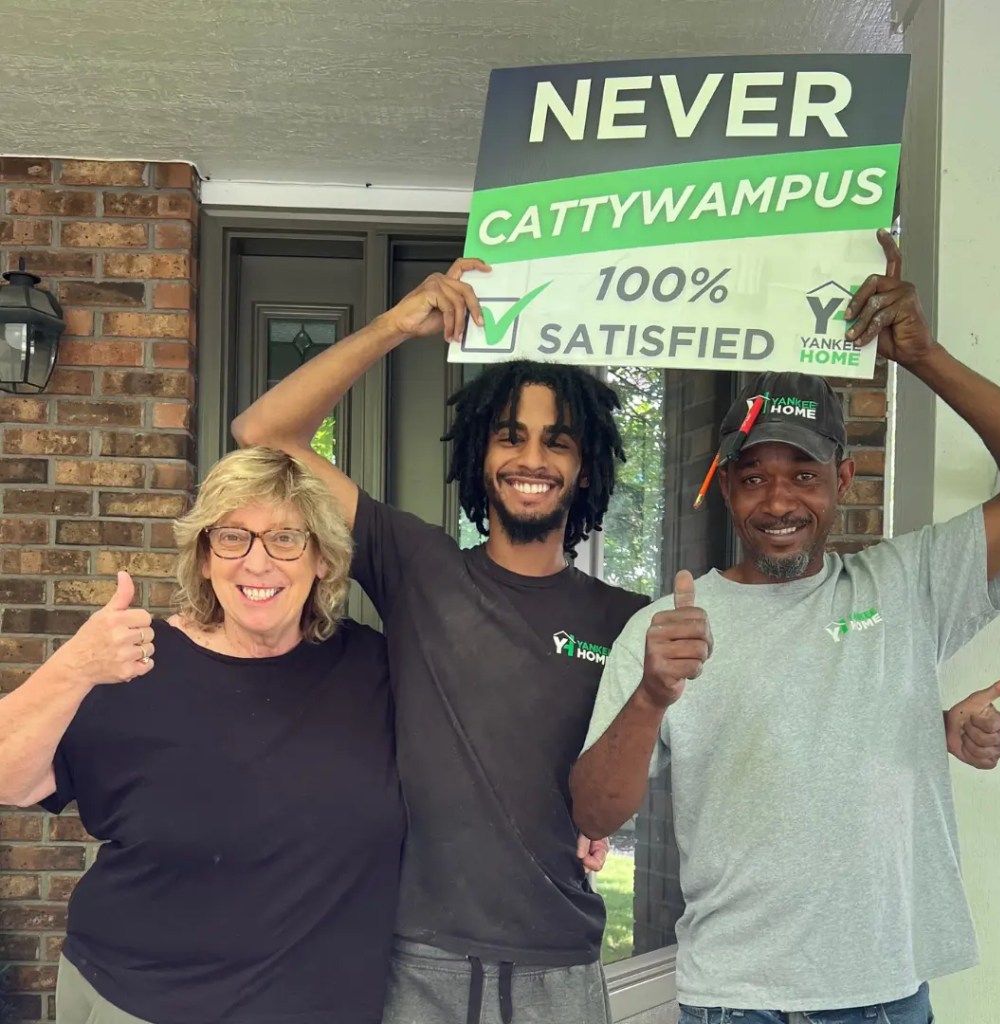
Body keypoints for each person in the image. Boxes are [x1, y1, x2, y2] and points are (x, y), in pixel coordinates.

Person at [570, 229, 1000, 1024]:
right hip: (735, 1004)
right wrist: (651, 695)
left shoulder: (907, 586)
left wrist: (923, 359)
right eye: (755, 478)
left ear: (842, 479)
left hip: (885, 996)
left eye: (803, 476)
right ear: (725, 488)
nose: (778, 503)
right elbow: (595, 815)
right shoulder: (664, 630)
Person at [232, 259, 649, 1024]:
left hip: (560, 962)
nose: (531, 459)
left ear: (584, 469)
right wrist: (398, 325)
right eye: (509, 437)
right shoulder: (416, 564)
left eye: (557, 443)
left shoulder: (628, 621)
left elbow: (617, 792)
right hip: (416, 960)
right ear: (478, 458)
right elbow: (263, 433)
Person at [0, 447, 402, 1024]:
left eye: (286, 538)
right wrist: (73, 667)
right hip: (143, 1004)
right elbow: (11, 779)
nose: (257, 563)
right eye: (232, 538)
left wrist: (565, 817)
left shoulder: (375, 670)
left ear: (321, 559)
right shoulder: (135, 664)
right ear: (206, 559)